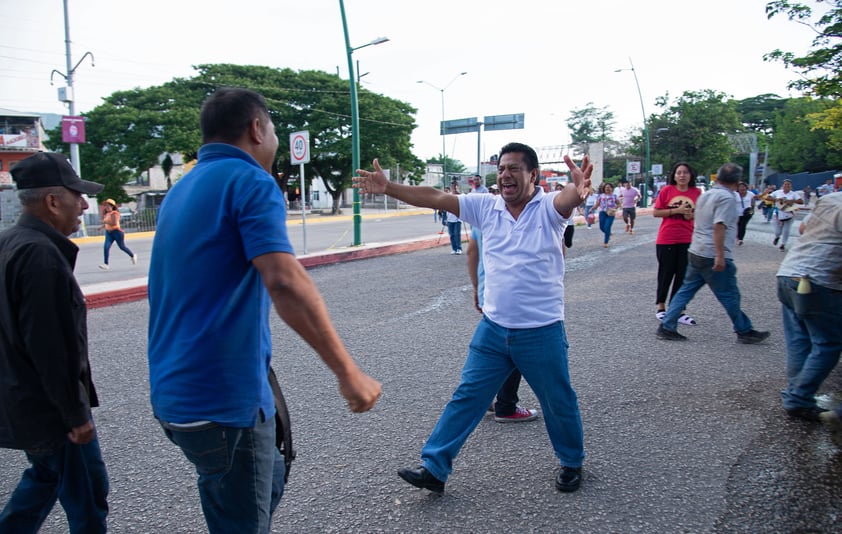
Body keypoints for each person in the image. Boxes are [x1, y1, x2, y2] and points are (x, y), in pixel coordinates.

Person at [147, 87, 381, 533]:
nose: (272, 139)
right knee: (244, 515)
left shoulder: (184, 187)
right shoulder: (249, 180)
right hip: (223, 404)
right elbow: (285, 280)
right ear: (257, 129)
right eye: (272, 128)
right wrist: (348, 372)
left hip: (176, 394)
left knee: (259, 481)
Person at [355, 142, 590, 494]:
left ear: (534, 175)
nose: (505, 174)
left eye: (514, 168)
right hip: (494, 330)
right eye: (502, 168)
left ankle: (572, 462)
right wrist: (389, 187)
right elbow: (434, 196)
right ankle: (434, 467)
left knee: (558, 400)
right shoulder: (486, 206)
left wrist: (578, 190)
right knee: (467, 396)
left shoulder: (548, 208)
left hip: (540, 331)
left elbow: (567, 199)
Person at [0, 152, 109, 532]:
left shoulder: (9, 243)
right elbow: (52, 348)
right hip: (52, 411)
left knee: (45, 479)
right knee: (88, 500)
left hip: (22, 401)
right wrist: (75, 416)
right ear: (51, 201)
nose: (83, 204)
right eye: (76, 194)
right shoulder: (41, 256)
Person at [656, 163, 770, 344]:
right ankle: (744, 330)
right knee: (729, 294)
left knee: (686, 289)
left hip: (696, 249)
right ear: (737, 181)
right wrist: (720, 255)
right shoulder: (726, 198)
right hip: (711, 252)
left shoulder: (707, 194)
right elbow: (719, 225)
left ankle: (667, 326)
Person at [775, 192, 842, 423]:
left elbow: (803, 228)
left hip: (788, 273)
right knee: (828, 343)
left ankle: (797, 398)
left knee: (799, 339)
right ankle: (798, 396)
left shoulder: (831, 198)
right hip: (819, 280)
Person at [466, 228, 537, 424]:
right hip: (517, 296)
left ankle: (486, 397)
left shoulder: (485, 214)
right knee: (515, 344)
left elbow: (472, 251)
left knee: (493, 345)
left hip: (488, 293)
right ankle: (505, 405)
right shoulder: (523, 215)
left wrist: (476, 286)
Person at [652, 162, 701, 325]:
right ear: (674, 175)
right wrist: (676, 211)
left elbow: (700, 213)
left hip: (687, 238)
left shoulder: (697, 192)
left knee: (683, 276)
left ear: (691, 175)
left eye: (685, 172)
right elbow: (656, 212)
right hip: (667, 238)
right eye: (678, 172)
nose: (682, 175)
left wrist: (691, 215)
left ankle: (679, 310)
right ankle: (661, 307)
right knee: (666, 273)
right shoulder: (667, 191)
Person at [98, 198, 137, 270]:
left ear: (112, 206)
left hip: (117, 232)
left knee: (122, 247)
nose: (106, 207)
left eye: (108, 206)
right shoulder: (107, 214)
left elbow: (114, 223)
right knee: (106, 247)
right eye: (106, 206)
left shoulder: (115, 213)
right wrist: (101, 227)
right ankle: (106, 264)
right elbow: (107, 223)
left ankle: (132, 255)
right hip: (109, 233)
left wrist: (104, 222)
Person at [771, 179, 803, 251]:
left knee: (786, 230)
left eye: (788, 184)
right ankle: (777, 236)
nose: (787, 186)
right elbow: (768, 197)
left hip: (789, 213)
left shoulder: (793, 194)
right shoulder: (778, 192)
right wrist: (777, 199)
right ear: (783, 185)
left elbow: (801, 201)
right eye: (785, 184)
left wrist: (792, 201)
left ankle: (783, 244)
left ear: (790, 186)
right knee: (777, 231)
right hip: (777, 213)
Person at [593, 182, 619, 248]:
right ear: (604, 189)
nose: (608, 189)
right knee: (602, 227)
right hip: (602, 212)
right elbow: (597, 204)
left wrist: (614, 208)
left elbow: (619, 204)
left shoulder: (614, 196)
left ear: (612, 189)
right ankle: (608, 233)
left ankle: (606, 242)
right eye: (606, 187)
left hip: (610, 213)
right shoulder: (601, 196)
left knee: (607, 226)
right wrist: (592, 209)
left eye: (609, 187)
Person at [735, 182, 755, 246]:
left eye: (743, 187)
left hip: (747, 212)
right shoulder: (735, 194)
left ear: (746, 188)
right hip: (737, 213)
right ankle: (738, 237)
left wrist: (752, 209)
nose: (742, 188)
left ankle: (740, 239)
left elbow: (755, 199)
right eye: (740, 187)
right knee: (738, 226)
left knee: (743, 225)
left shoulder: (750, 194)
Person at [444, 187, 463, 255]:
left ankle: (459, 248)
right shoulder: (448, 196)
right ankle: (454, 249)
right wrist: (445, 218)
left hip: (457, 219)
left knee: (457, 234)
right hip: (449, 219)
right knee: (451, 235)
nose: (454, 188)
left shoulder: (460, 196)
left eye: (455, 187)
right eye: (452, 186)